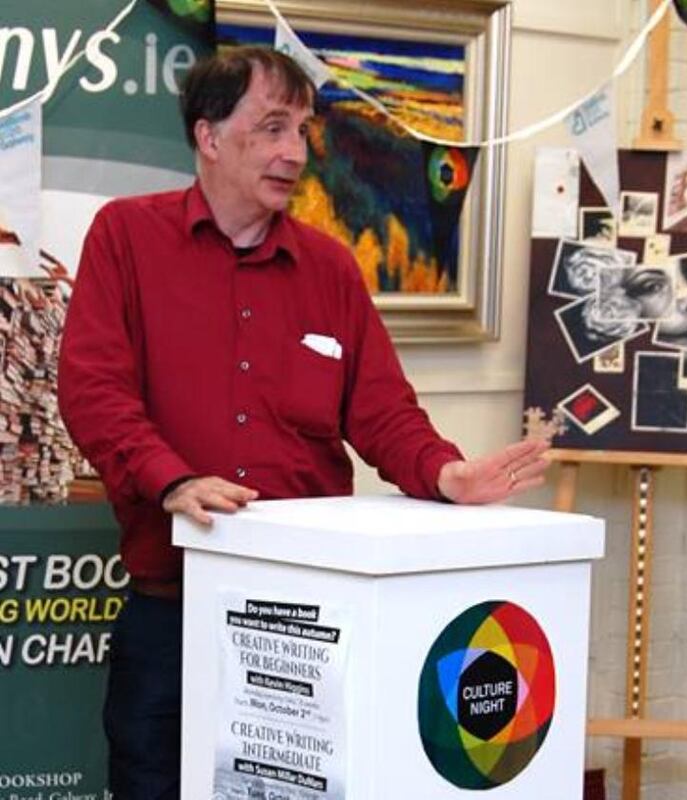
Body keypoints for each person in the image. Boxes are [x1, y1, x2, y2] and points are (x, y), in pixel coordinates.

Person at [57, 47, 551, 800]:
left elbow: (384, 410)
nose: (296, 152)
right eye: (273, 127)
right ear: (209, 137)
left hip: (311, 629)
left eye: (304, 131)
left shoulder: (329, 268)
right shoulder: (125, 238)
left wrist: (447, 473)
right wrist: (174, 479)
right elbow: (94, 390)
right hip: (175, 617)